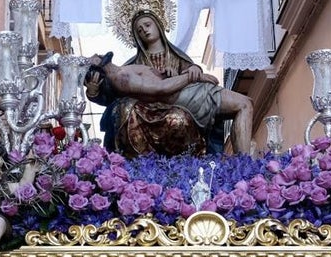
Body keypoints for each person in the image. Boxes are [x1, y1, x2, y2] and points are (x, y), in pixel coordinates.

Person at [86, 10, 253, 156]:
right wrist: (94, 92)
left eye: (147, 24)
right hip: (157, 104)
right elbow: (114, 92)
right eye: (140, 29)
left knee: (243, 104)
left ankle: (244, 162)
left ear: (158, 25)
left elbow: (192, 73)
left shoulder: (177, 57)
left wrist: (192, 70)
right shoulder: (130, 67)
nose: (144, 30)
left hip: (187, 98)